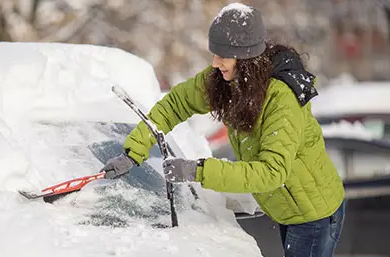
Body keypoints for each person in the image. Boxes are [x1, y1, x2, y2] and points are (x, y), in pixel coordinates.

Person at [100, 3, 345, 257]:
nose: (216, 62)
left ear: (246, 56)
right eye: (214, 54)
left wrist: (198, 170)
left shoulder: (281, 98)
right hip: (286, 208)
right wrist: (133, 151)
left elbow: (272, 172)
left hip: (315, 216)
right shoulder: (225, 80)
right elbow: (176, 104)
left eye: (223, 55)